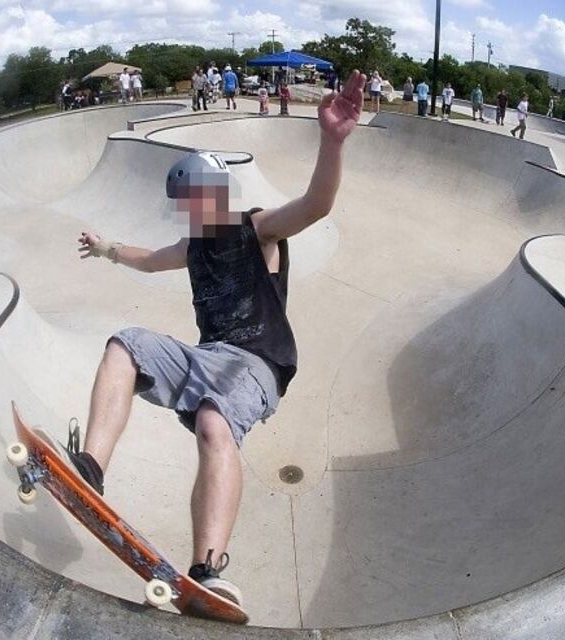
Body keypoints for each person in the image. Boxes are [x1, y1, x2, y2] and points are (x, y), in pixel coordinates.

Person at [73, 70, 367, 607]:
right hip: (206, 357)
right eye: (185, 208)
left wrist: (331, 141)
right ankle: (90, 470)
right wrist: (107, 247)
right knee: (125, 344)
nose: (191, 216)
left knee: (213, 419)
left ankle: (206, 569)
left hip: (256, 363)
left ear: (215, 196)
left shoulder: (256, 228)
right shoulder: (191, 249)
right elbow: (148, 259)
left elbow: (315, 205)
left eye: (196, 203)